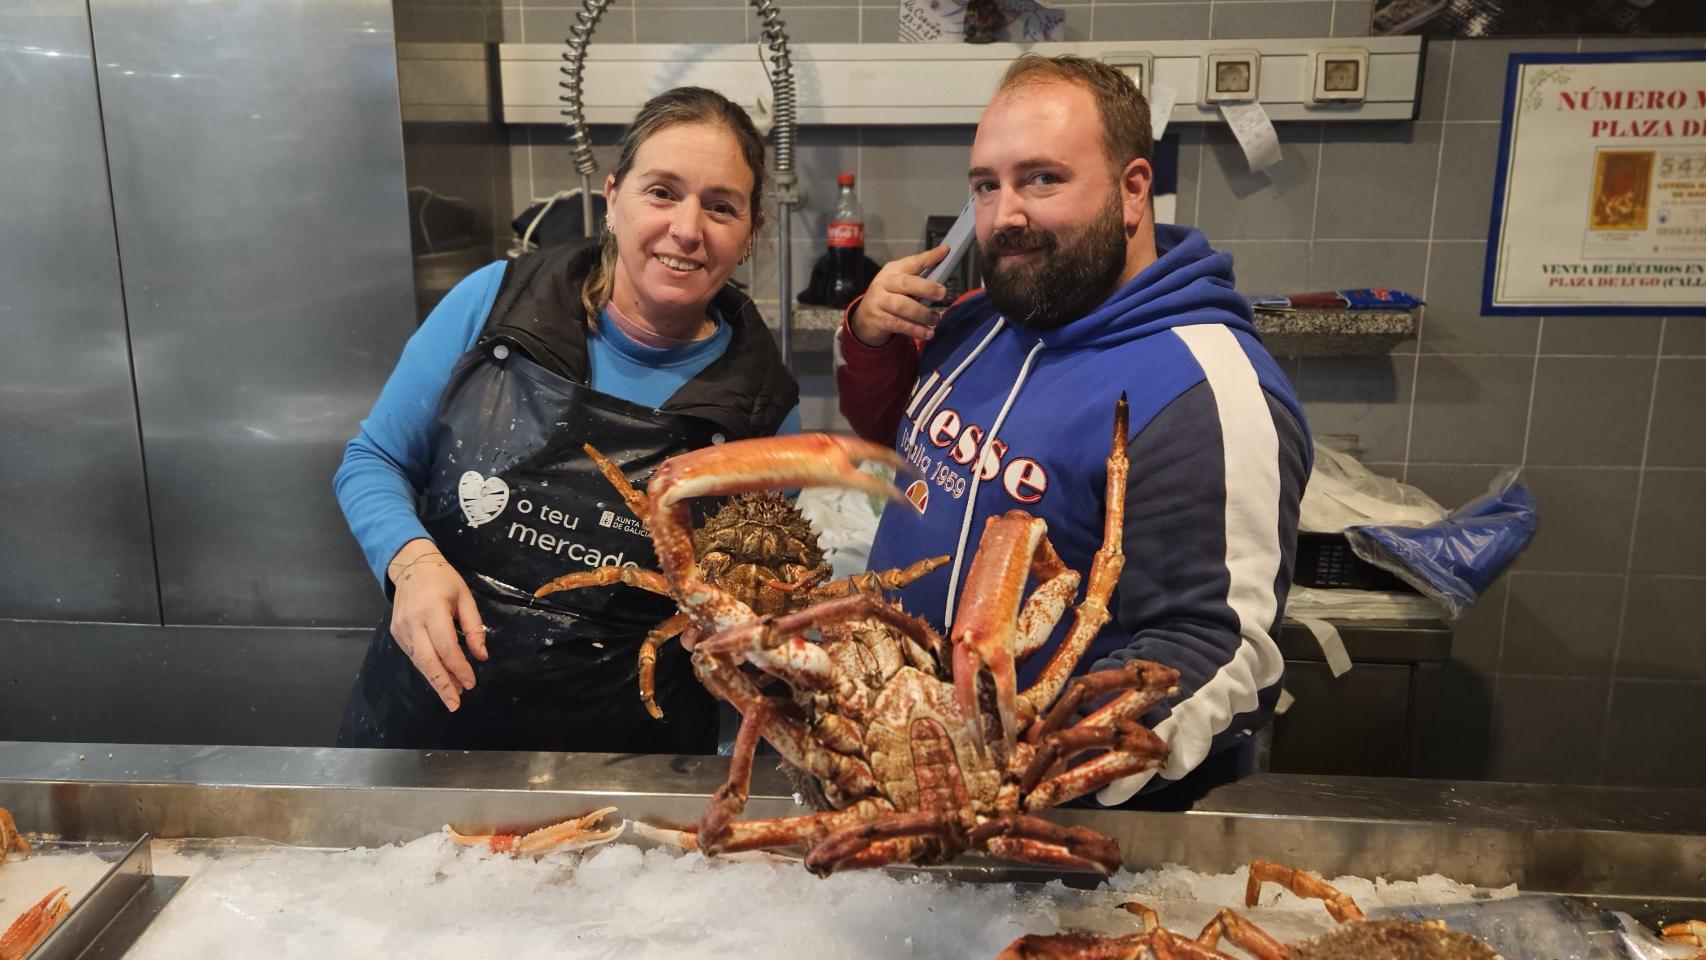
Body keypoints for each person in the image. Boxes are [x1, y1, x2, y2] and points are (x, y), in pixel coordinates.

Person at [835, 55, 1310, 802]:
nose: (1005, 215)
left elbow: (1215, 653)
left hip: (1058, 834)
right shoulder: (985, 319)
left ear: (1132, 191)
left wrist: (1028, 773)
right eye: (987, 186)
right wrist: (870, 340)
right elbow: (909, 445)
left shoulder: (1207, 392)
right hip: (903, 782)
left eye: (1042, 179)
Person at [335, 87, 799, 755]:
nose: (688, 228)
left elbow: (745, 598)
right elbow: (374, 459)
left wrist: (736, 634)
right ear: (613, 198)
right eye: (662, 192)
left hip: (631, 771)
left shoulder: (766, 410)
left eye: (720, 206)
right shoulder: (493, 304)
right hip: (423, 737)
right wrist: (410, 565)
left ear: (750, 233)